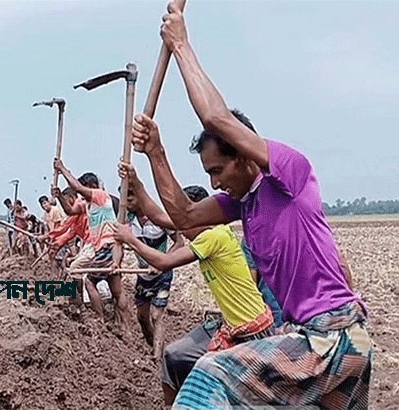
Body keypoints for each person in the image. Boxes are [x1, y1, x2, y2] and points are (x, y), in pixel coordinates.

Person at [128, 4, 372, 408]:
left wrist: (182, 45)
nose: (214, 182)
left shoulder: (289, 174)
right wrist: (156, 152)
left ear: (244, 156)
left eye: (218, 170)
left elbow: (216, 117)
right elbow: (184, 217)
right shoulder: (245, 205)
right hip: (337, 339)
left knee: (209, 375)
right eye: (208, 174)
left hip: (331, 335)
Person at [111, 176, 275, 406]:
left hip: (250, 330)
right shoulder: (207, 232)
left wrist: (130, 240)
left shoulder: (213, 237)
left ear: (201, 215)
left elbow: (163, 262)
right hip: (231, 325)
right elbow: (159, 216)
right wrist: (137, 182)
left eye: (184, 219)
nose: (180, 227)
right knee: (174, 356)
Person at [53, 158, 129, 325]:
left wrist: (63, 168)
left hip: (107, 246)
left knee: (89, 280)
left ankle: (99, 320)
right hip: (102, 247)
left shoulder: (100, 196)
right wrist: (59, 197)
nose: (81, 195)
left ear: (92, 186)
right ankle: (122, 323)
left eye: (84, 191)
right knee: (115, 287)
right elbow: (70, 210)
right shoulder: (88, 205)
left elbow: (78, 188)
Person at [119, 184, 184, 361]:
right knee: (142, 317)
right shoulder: (127, 222)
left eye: (130, 199)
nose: (127, 204)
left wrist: (162, 262)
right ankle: (152, 348)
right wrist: (115, 263)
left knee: (157, 316)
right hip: (143, 276)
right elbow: (118, 246)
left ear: (140, 197)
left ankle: (157, 357)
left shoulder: (159, 218)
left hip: (162, 276)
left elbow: (179, 243)